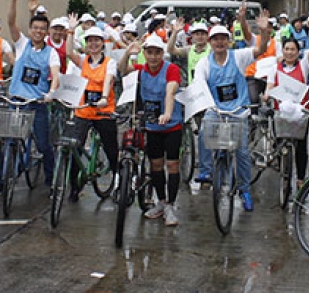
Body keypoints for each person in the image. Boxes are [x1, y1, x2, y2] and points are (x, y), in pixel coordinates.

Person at [192, 7, 271, 211]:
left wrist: (264, 31)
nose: (219, 42)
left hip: (238, 111)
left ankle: (244, 189)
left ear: (228, 41)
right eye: (215, 39)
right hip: (215, 111)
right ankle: (206, 170)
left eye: (223, 38)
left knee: (242, 153)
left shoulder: (239, 56)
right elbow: (199, 83)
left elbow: (261, 50)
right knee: (202, 131)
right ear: (210, 42)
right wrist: (204, 104)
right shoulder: (204, 63)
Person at [0, 0, 61, 197]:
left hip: (37, 103)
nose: (38, 32)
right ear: (30, 30)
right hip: (16, 101)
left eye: (42, 29)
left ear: (46, 32)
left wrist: (51, 92)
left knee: (43, 144)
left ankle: (50, 180)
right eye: (35, 28)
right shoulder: (21, 44)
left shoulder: (51, 53)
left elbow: (56, 75)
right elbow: (11, 21)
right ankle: (2, 181)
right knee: (10, 141)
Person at [119, 35, 184, 226]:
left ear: (162, 54)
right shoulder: (141, 70)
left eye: (157, 53)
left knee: (172, 165)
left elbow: (170, 92)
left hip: (171, 125)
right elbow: (123, 71)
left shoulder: (171, 69)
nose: (153, 57)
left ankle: (171, 205)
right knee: (155, 165)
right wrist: (127, 52)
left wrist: (167, 114)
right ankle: (161, 202)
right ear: (144, 54)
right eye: (149, 53)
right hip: (152, 125)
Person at [264, 11, 309, 189]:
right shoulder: (275, 68)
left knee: (301, 148)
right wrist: (267, 95)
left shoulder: (304, 66)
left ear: (297, 52)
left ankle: (301, 179)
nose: (289, 52)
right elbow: (269, 87)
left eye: (293, 49)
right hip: (280, 113)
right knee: (280, 144)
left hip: (300, 114)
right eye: (286, 49)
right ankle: (282, 171)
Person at [65, 23, 119, 202]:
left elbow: (108, 80)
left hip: (103, 110)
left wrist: (103, 98)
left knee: (111, 147)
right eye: (90, 41)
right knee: (75, 147)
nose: (93, 44)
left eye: (97, 40)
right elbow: (68, 53)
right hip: (84, 110)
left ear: (102, 43)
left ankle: (118, 178)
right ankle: (74, 187)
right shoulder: (82, 60)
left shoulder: (109, 63)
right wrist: (71, 31)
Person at [168, 21, 213, 182]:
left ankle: (207, 166)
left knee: (206, 131)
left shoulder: (211, 50)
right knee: (196, 129)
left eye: (202, 33)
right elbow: (171, 50)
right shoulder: (189, 50)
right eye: (196, 34)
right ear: (191, 36)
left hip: (209, 94)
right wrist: (174, 32)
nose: (199, 36)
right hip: (194, 94)